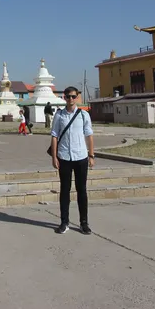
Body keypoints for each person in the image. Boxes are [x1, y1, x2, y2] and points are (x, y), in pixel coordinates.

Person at [50, 86, 94, 235]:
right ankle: (64, 222)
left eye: (73, 96)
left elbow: (89, 135)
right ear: (64, 97)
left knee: (82, 190)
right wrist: (54, 156)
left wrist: (91, 155)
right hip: (64, 157)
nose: (71, 99)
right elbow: (54, 135)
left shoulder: (83, 115)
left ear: (77, 98)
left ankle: (84, 223)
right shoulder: (59, 115)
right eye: (68, 96)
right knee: (65, 191)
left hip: (81, 156)